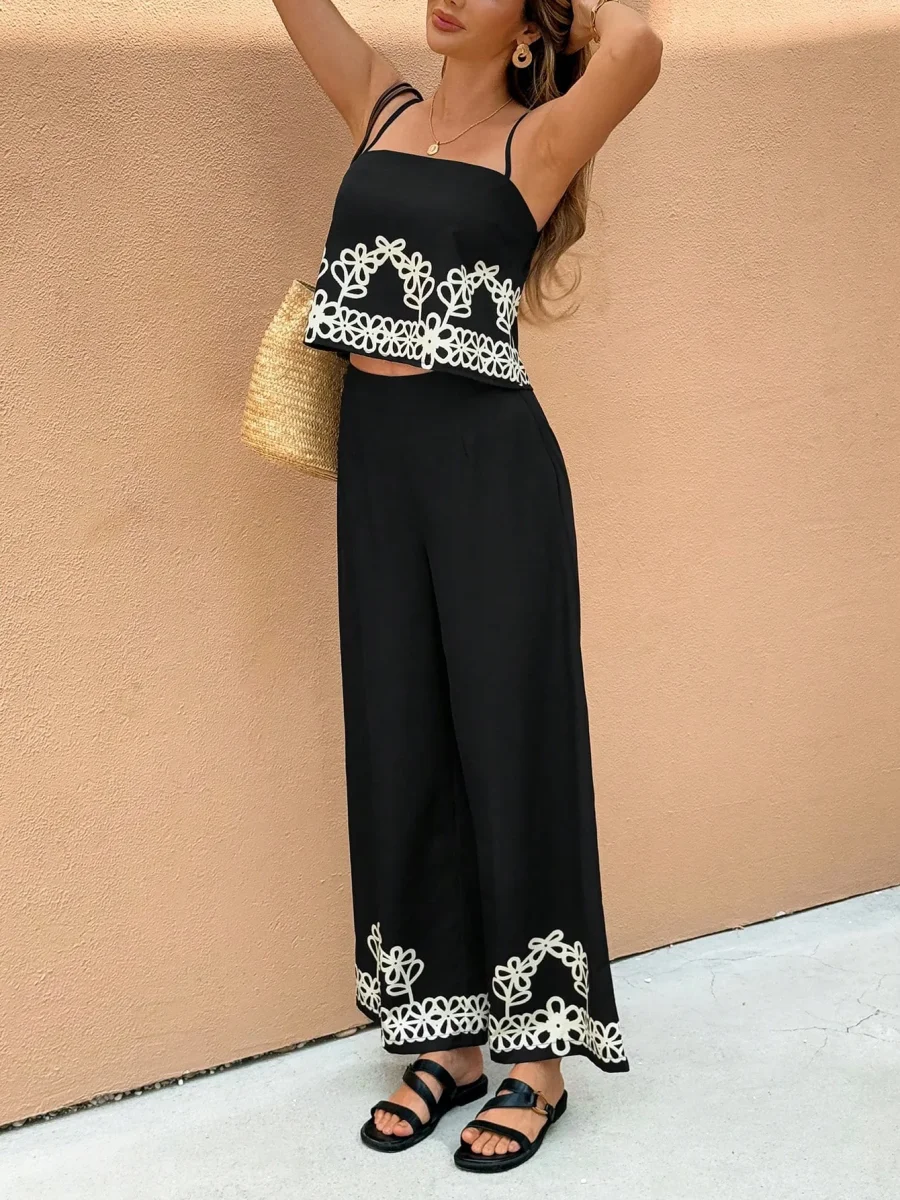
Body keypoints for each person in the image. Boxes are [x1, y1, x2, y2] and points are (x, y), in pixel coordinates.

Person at [272, 0, 662, 1173]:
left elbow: (638, 48)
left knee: (511, 742)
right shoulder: (380, 105)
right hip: (380, 476)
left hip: (492, 479)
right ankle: (442, 1036)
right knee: (400, 735)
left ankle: (535, 1060)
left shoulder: (538, 144)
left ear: (533, 25)